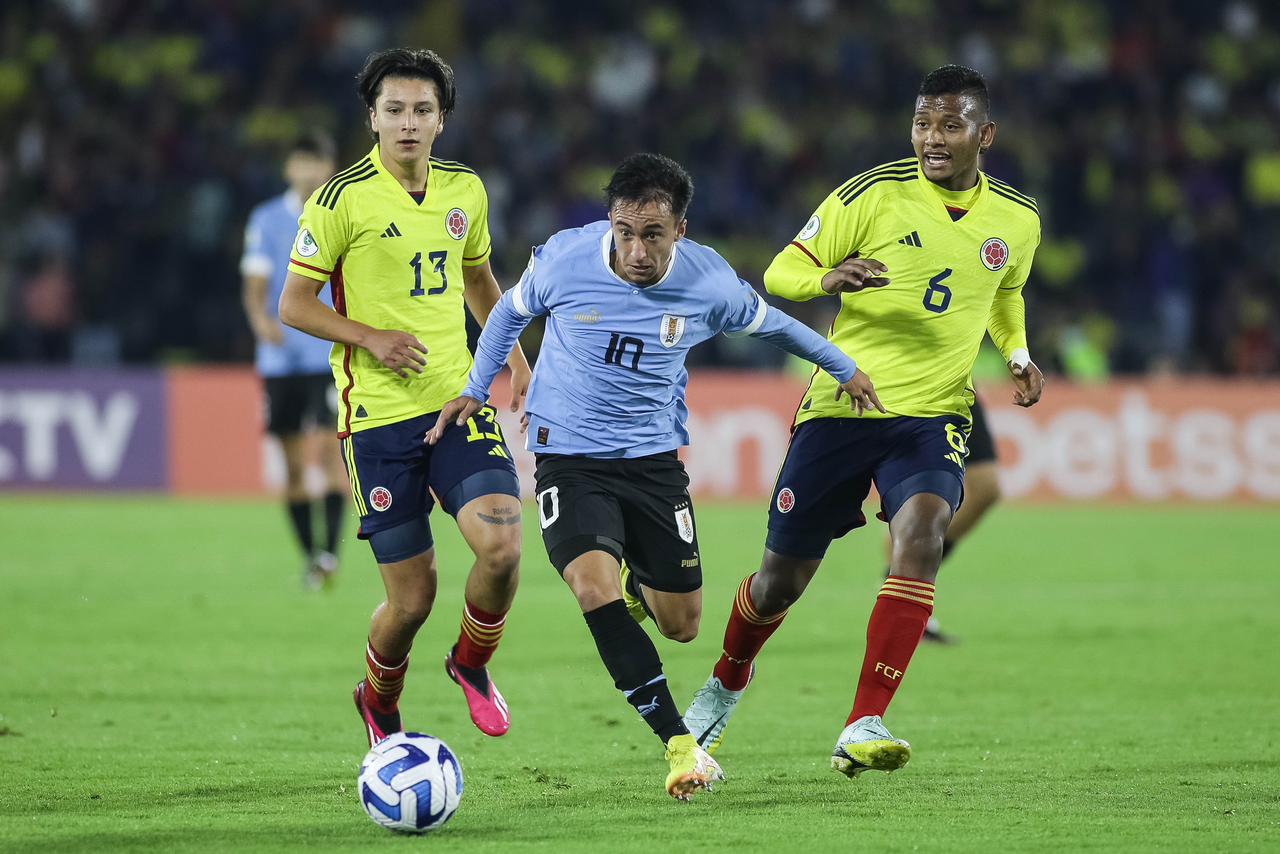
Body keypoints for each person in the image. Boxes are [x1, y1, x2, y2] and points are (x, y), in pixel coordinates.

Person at [428, 153, 883, 801]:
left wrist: (843, 367)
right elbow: (506, 313)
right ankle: (678, 745)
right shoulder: (563, 259)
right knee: (592, 588)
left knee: (682, 624)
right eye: (625, 233)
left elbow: (776, 326)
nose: (636, 250)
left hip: (651, 463)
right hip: (568, 453)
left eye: (653, 235)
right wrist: (481, 387)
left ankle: (638, 584)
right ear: (608, 223)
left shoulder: (710, 284)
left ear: (681, 232)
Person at [684, 65, 1046, 779]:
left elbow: (1005, 293)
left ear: (985, 134)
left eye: (949, 125)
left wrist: (1019, 353)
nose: (932, 138)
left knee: (923, 532)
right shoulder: (873, 193)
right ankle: (728, 679)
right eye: (922, 123)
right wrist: (826, 278)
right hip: (846, 403)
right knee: (778, 581)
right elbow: (783, 271)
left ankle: (863, 719)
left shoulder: (1018, 219)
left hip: (935, 412)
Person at [277, 48, 532, 747]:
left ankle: (471, 665)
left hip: (456, 403)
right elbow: (293, 304)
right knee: (411, 600)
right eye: (394, 110)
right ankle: (379, 701)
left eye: (422, 110)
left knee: (504, 546)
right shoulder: (338, 200)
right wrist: (370, 337)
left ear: (441, 119)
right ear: (373, 117)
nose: (408, 123)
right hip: (378, 421)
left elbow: (480, 281)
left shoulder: (465, 191)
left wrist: (516, 361)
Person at [241, 132, 349, 589]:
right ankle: (310, 557)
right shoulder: (265, 219)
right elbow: (255, 282)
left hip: (325, 353)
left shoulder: (343, 212)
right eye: (300, 162)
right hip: (280, 357)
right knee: (289, 464)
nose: (308, 172)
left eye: (316, 163)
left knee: (327, 453)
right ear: (289, 168)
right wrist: (259, 322)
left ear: (329, 168)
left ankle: (329, 554)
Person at [886, 392, 1001, 644]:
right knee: (914, 497)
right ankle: (903, 593)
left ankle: (900, 579)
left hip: (957, 381)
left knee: (986, 490)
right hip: (907, 384)